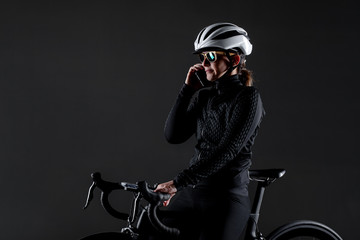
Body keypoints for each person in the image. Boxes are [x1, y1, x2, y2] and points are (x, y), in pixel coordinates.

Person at [154, 23, 265, 240]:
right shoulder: (206, 97)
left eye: (210, 57)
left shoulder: (248, 98)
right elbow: (173, 135)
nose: (203, 64)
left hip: (227, 198)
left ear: (233, 60)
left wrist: (177, 183)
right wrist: (187, 90)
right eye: (202, 57)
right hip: (194, 190)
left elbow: (227, 151)